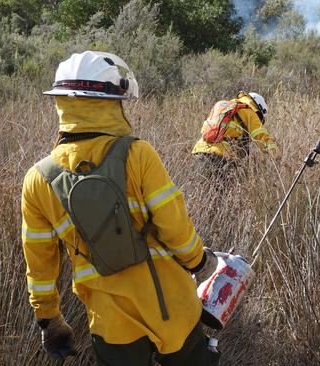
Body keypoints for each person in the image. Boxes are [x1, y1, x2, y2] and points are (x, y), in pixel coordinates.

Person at [20, 50, 219, 366]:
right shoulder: (138, 153)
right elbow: (174, 225)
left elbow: (40, 262)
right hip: (171, 307)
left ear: (62, 102)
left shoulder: (37, 179)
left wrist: (49, 318)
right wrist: (199, 261)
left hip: (110, 321)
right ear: (112, 103)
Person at [191, 91, 277, 179]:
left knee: (196, 189)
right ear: (258, 110)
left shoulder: (224, 107)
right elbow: (262, 137)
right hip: (220, 157)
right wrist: (277, 156)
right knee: (222, 191)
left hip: (198, 152)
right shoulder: (249, 112)